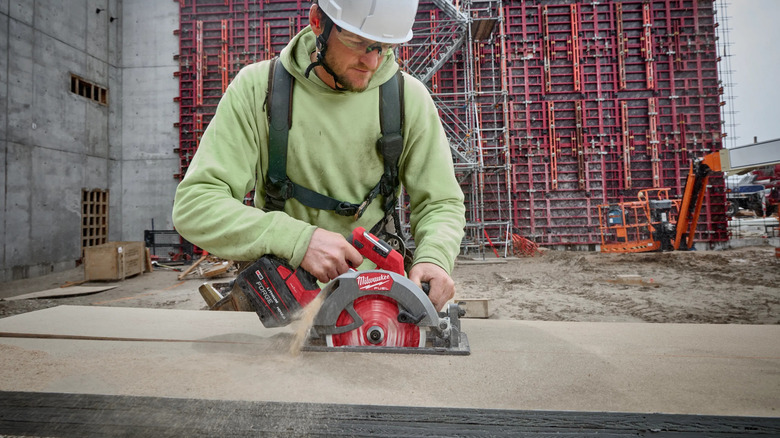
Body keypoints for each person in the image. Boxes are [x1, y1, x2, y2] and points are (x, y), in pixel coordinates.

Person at [172, 0, 465, 311]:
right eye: (358, 43)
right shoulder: (259, 89)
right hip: (281, 298)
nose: (372, 61)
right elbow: (195, 205)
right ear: (317, 22)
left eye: (383, 47)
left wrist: (434, 257)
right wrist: (298, 241)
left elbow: (441, 202)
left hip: (377, 305)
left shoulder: (408, 99)